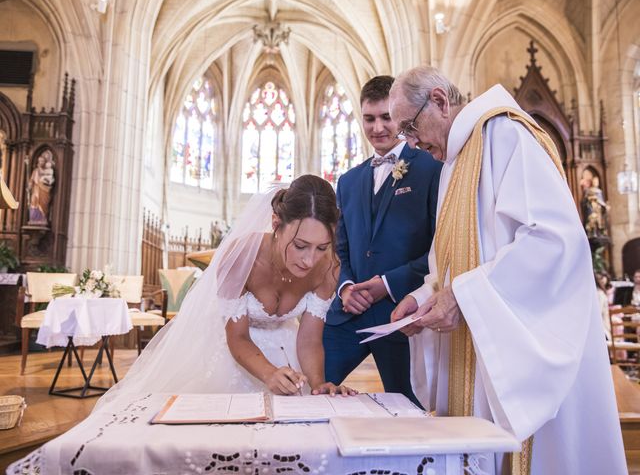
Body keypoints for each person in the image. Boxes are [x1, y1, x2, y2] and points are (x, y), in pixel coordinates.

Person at [388, 66, 626, 474]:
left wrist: (462, 296)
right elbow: (450, 266)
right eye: (404, 135)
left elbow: (554, 242)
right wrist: (422, 298)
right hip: (475, 356)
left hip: (517, 363)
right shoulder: (452, 165)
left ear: (441, 102)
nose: (411, 143)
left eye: (410, 128)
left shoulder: (506, 135)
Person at [97, 174, 355, 411]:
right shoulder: (241, 257)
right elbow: (238, 336)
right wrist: (269, 373)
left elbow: (309, 339)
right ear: (276, 224)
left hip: (286, 349)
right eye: (300, 246)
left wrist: (319, 384)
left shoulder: (328, 267)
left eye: (322, 247)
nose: (310, 260)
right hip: (230, 350)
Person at [323, 75, 441, 406]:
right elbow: (340, 249)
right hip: (349, 314)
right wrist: (346, 287)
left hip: (401, 316)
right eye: (369, 118)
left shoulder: (430, 166)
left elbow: (438, 246)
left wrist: (386, 284)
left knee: (409, 409)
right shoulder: (348, 181)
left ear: (399, 116)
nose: (377, 128)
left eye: (386, 117)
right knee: (312, 389)